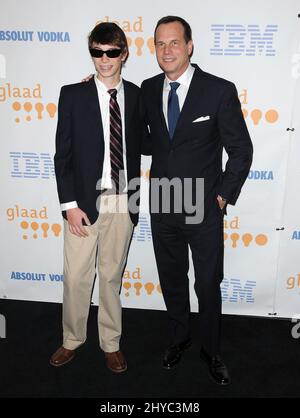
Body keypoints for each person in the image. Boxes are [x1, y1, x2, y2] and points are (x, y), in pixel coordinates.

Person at [141, 16, 253, 385]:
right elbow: (144, 140)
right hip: (162, 200)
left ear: (190, 46)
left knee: (207, 283)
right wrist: (94, 89)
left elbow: (241, 150)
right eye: (160, 43)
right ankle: (179, 337)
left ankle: (212, 349)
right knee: (172, 278)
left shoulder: (218, 90)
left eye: (174, 42)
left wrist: (221, 196)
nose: (167, 50)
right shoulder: (146, 88)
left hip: (203, 204)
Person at [50, 22, 142, 373]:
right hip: (84, 204)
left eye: (112, 52)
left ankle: (111, 343)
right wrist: (69, 205)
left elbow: (148, 142)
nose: (104, 60)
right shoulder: (72, 94)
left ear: (124, 54)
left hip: (123, 199)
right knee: (76, 277)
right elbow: (63, 155)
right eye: (97, 52)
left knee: (110, 277)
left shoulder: (137, 95)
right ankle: (71, 339)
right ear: (92, 53)